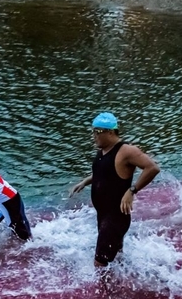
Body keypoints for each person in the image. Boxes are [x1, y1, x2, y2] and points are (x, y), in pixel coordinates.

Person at [69, 113, 160, 267]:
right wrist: (85, 181)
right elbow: (105, 172)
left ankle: (104, 290)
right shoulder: (103, 150)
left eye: (97, 132)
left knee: (99, 263)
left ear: (110, 132)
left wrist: (132, 190)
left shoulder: (126, 151)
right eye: (93, 131)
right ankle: (121, 286)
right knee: (116, 257)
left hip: (116, 217)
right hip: (103, 215)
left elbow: (152, 167)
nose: (94, 136)